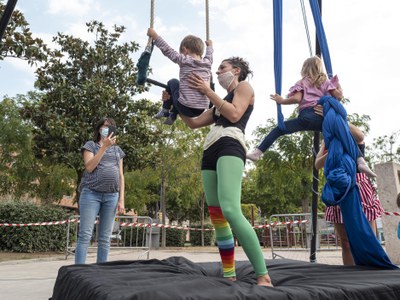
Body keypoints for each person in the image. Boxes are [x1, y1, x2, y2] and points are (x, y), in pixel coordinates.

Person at [181, 57, 272, 286]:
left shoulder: (244, 87)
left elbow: (233, 114)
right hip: (209, 148)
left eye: (222, 67)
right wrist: (175, 102)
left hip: (230, 144)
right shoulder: (218, 103)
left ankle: (263, 275)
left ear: (237, 70)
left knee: (230, 209)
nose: (218, 71)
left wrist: (207, 91)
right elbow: (193, 123)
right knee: (217, 215)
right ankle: (229, 274)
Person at [246, 56, 376, 178]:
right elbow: (338, 96)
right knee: (343, 134)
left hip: (306, 117)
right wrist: (337, 85)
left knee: (279, 129)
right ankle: (361, 161)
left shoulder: (302, 82)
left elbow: (297, 99)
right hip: (323, 118)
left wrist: (281, 100)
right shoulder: (325, 82)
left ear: (304, 69)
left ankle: (258, 152)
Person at [315, 133, 383, 265]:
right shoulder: (327, 142)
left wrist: (335, 115)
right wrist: (333, 151)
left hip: (359, 185)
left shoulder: (351, 135)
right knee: (346, 242)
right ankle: (351, 274)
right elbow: (317, 164)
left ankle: (374, 272)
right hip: (338, 186)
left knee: (370, 238)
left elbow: (361, 136)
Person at [75, 117, 125, 264]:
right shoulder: (91, 146)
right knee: (85, 235)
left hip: (111, 196)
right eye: (103, 126)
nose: (105, 129)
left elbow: (121, 175)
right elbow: (89, 167)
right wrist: (104, 147)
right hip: (91, 194)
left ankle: (101, 271)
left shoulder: (118, 151)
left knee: (105, 238)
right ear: (98, 130)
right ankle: (79, 271)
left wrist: (121, 199)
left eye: (109, 127)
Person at [147, 28, 213, 125]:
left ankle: (165, 108)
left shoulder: (184, 60)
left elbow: (168, 50)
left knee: (173, 82)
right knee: (180, 92)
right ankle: (173, 113)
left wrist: (155, 36)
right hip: (200, 110)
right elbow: (209, 54)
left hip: (185, 106)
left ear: (185, 50)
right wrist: (210, 46)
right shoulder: (208, 63)